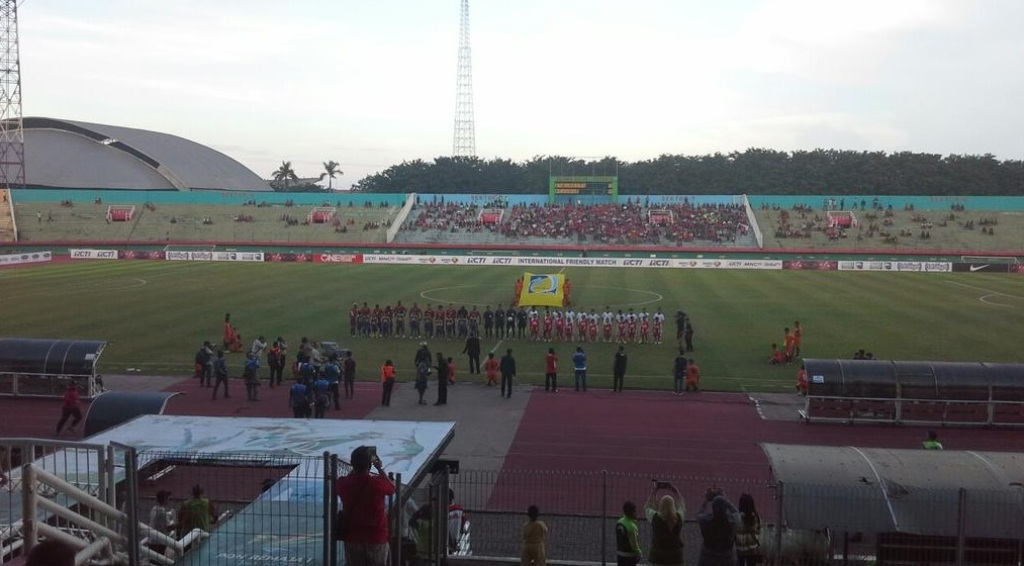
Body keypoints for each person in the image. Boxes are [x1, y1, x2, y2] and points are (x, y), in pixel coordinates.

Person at [336, 446, 396, 566]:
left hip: (352, 536)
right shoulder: (377, 484)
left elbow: (346, 481)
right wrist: (379, 468)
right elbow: (392, 488)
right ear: (369, 465)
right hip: (376, 537)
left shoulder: (343, 483)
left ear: (352, 463)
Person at [645, 482, 685, 566]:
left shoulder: (655, 518)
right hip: (676, 558)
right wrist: (676, 492)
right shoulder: (679, 518)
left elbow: (647, 507)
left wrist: (653, 493)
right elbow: (682, 505)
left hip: (658, 558)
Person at [697, 489, 739, 566]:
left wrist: (706, 500)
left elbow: (699, 513)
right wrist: (726, 500)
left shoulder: (706, 521)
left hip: (708, 556)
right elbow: (736, 512)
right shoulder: (732, 522)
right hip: (727, 557)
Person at [735, 494, 762, 566]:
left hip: (739, 548)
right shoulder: (756, 516)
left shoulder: (737, 517)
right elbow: (758, 531)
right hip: (752, 548)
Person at [615, 500, 642, 566]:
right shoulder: (632, 527)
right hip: (629, 557)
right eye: (635, 511)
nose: (636, 513)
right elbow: (634, 544)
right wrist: (639, 553)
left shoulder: (619, 522)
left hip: (620, 555)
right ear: (632, 512)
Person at [149, 490, 173, 559]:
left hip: (152, 539)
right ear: (164, 499)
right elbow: (167, 527)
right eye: (167, 498)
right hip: (159, 542)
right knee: (159, 561)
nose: (169, 500)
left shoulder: (154, 508)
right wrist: (178, 526)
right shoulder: (162, 512)